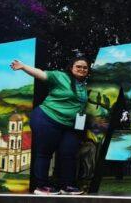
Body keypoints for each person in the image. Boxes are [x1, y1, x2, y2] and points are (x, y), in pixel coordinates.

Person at [11, 55, 90, 195]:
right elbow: (40, 74)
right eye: (78, 66)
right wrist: (23, 67)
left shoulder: (83, 86)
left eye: (85, 67)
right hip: (47, 119)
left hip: (69, 125)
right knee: (45, 153)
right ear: (71, 68)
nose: (82, 69)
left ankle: (67, 186)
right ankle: (41, 186)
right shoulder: (60, 76)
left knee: (68, 153)